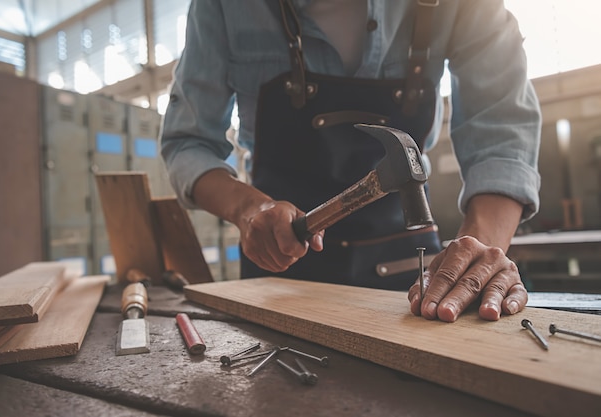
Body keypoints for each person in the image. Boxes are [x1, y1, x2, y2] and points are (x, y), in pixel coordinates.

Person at [160, 0, 541, 323]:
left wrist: (479, 251)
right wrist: (248, 208)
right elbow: (188, 143)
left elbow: (502, 134)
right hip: (279, 275)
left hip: (414, 280)